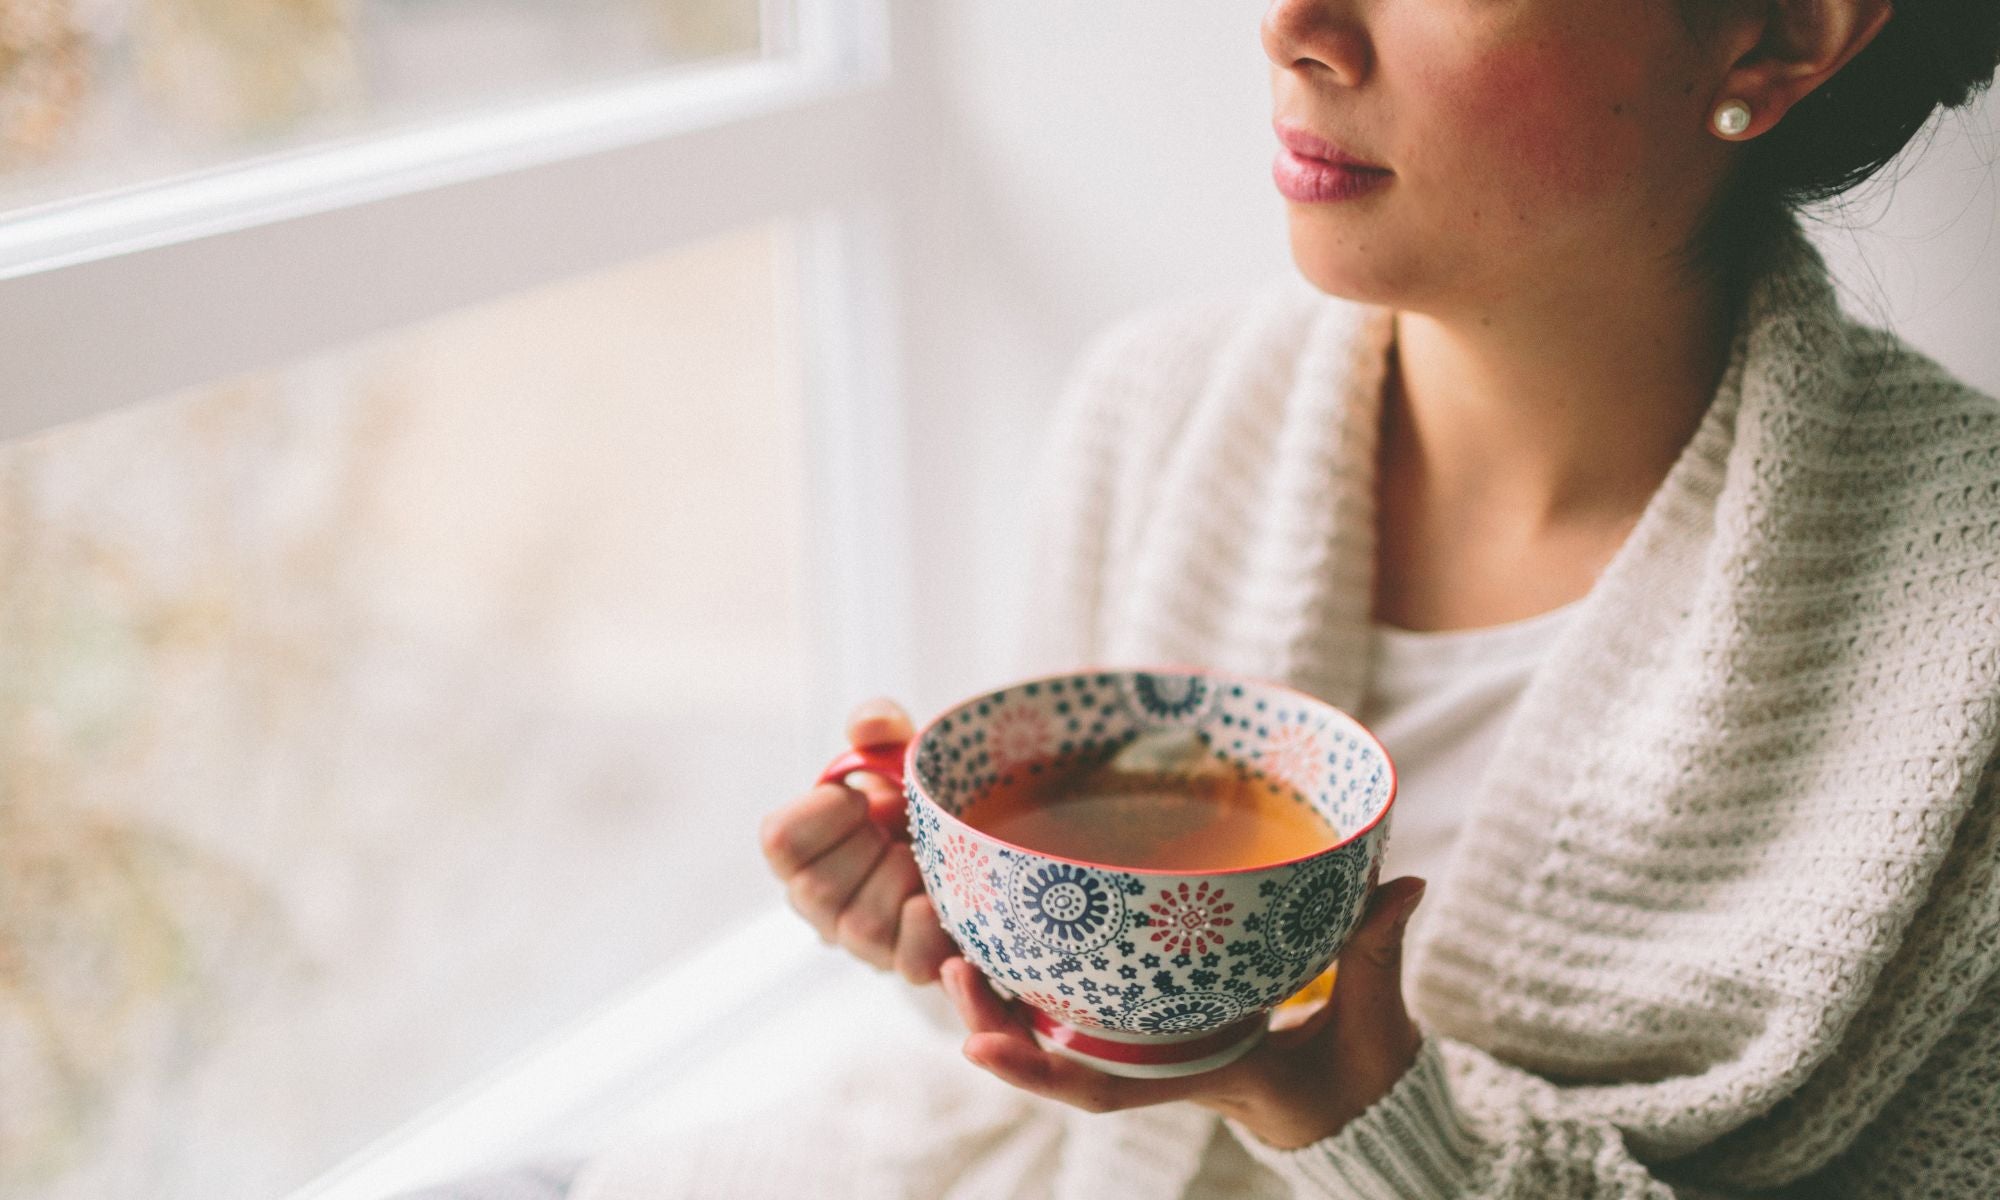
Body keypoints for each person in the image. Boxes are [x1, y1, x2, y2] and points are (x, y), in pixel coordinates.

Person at [555, 0, 2000, 1197]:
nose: (1292, 29)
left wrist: (1367, 1117)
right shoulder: (1159, 410)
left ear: (1780, 38)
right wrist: (961, 933)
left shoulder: (1965, 644)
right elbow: (1072, 1081)